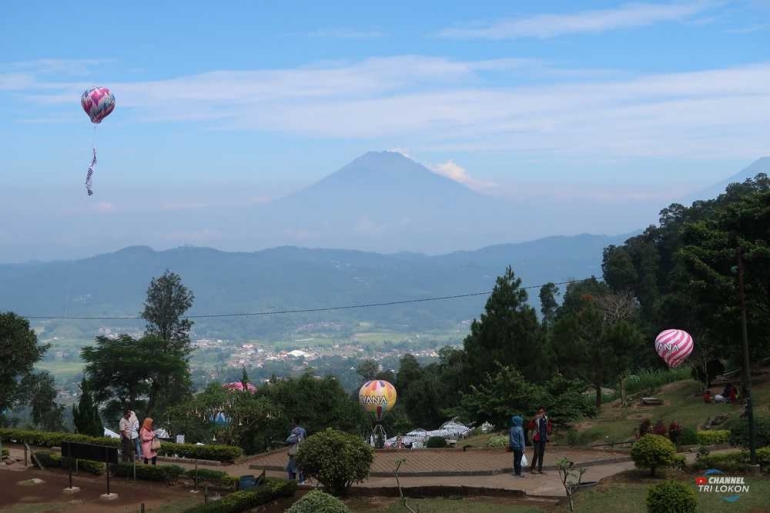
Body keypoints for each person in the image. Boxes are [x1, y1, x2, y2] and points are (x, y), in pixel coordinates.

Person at [529, 407, 551, 474]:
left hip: (543, 438)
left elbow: (549, 427)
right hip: (537, 438)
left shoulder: (546, 419)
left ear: (544, 412)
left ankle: (540, 469)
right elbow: (530, 427)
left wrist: (548, 431)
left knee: (541, 454)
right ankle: (532, 468)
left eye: (542, 412)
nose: (541, 413)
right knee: (536, 453)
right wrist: (534, 420)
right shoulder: (536, 419)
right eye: (539, 412)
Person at [286, 418, 307, 483]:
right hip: (301, 450)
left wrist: (289, 447)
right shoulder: (303, 430)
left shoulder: (294, 431)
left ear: (295, 423)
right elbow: (305, 439)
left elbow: (290, 441)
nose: (291, 423)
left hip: (294, 451)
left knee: (291, 467)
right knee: (300, 466)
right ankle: (302, 480)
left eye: (292, 422)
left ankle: (292, 481)